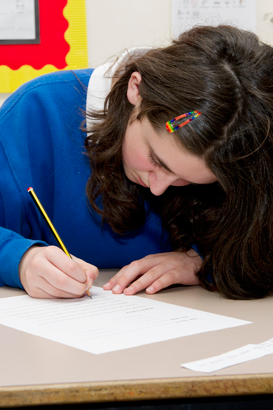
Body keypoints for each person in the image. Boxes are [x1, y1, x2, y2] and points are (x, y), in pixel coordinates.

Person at [1, 25, 273, 300]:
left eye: (188, 181)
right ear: (136, 89)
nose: (158, 189)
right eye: (156, 160)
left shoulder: (249, 148)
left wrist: (203, 262)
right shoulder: (36, 112)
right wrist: (20, 260)